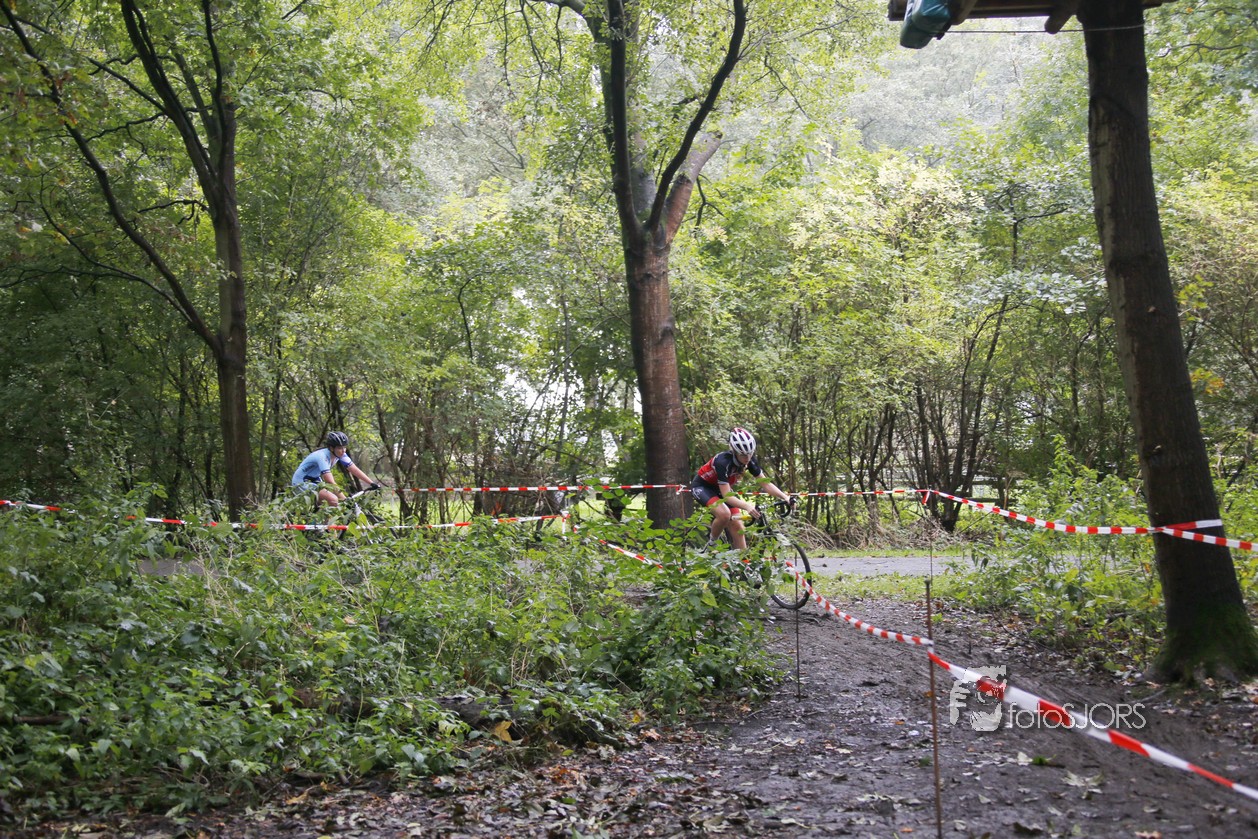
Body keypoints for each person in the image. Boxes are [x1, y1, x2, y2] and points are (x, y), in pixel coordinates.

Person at [691, 427, 796, 551]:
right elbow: (727, 496)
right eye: (743, 455)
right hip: (703, 487)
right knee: (724, 514)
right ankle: (711, 544)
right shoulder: (722, 462)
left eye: (750, 453)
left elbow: (766, 484)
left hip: (721, 489)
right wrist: (746, 506)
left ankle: (743, 561)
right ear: (735, 451)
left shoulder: (749, 460)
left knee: (739, 527)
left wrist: (785, 497)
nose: (748, 458)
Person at [291, 431, 381, 508]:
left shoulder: (340, 454)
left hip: (314, 480)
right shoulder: (322, 457)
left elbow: (354, 470)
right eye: (340, 448)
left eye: (344, 447)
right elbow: (330, 481)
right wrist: (345, 499)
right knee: (333, 499)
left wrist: (372, 483)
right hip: (301, 482)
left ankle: (317, 521)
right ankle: (324, 524)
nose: (343, 450)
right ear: (331, 448)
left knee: (328, 504)